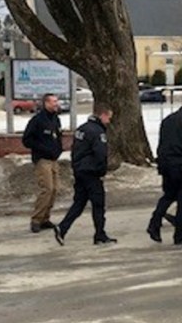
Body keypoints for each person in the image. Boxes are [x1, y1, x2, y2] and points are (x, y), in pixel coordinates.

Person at [53, 102, 116, 246]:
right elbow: (101, 154)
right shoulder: (98, 132)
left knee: (79, 203)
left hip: (80, 171)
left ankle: (62, 228)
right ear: (103, 115)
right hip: (92, 172)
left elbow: (75, 150)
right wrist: (101, 171)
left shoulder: (81, 129)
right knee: (98, 204)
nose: (109, 121)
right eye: (108, 118)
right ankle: (100, 234)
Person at [147, 91, 182, 245]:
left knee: (168, 196)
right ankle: (180, 234)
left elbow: (162, 144)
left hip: (166, 164)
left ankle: (154, 223)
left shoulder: (168, 120)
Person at [22, 92, 64, 233]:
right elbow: (26, 140)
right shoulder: (37, 120)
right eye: (53, 101)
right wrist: (42, 148)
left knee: (55, 190)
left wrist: (59, 149)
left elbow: (58, 136)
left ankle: (45, 218)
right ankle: (36, 219)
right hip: (42, 160)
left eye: (56, 101)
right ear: (45, 103)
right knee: (47, 189)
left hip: (53, 160)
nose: (56, 104)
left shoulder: (55, 119)